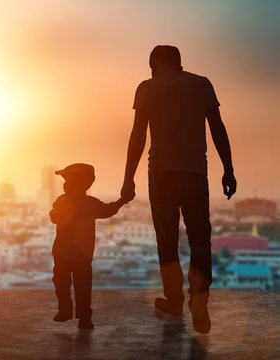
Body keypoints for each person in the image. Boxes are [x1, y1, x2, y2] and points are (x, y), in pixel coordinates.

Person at [120, 45, 237, 334]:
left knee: (167, 239)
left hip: (162, 174)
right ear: (179, 62)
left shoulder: (147, 88)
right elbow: (218, 128)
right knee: (200, 238)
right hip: (196, 172)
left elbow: (138, 135)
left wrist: (128, 178)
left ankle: (174, 300)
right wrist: (229, 169)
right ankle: (199, 301)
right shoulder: (202, 84)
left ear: (154, 65)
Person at [49, 163, 126, 329]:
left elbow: (53, 217)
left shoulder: (62, 200)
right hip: (82, 254)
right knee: (83, 286)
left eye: (67, 180)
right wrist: (122, 201)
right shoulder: (91, 203)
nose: (63, 183)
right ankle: (84, 318)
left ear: (76, 182)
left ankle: (65, 311)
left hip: (61, 251)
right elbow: (108, 210)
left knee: (61, 282)